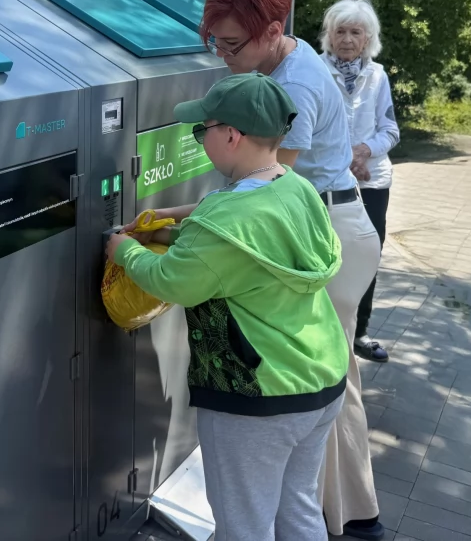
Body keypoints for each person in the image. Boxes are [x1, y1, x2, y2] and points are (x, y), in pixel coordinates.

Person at [106, 72, 349, 541]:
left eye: (203, 131)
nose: (201, 140)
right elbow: (233, 237)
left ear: (231, 136)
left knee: (244, 527)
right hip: (319, 379)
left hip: (258, 397)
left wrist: (122, 249)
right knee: (295, 509)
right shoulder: (293, 187)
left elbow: (172, 280)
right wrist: (171, 225)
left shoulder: (228, 221)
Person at [200, 0, 384, 540]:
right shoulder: (290, 60)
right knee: (329, 379)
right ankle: (336, 514)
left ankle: (355, 517)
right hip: (328, 218)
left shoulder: (293, 87)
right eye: (216, 42)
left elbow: (269, 195)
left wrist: (183, 227)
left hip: (332, 224)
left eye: (233, 44)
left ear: (274, 29)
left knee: (326, 381)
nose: (223, 56)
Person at [320, 0, 399, 364]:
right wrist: (346, 158)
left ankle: (359, 332)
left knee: (368, 255)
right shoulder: (317, 71)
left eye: (355, 32)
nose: (347, 39)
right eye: (340, 31)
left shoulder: (378, 76)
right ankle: (324, 325)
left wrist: (365, 150)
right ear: (329, 36)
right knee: (325, 252)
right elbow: (313, 128)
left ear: (368, 38)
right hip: (329, 181)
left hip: (371, 181)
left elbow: (390, 130)